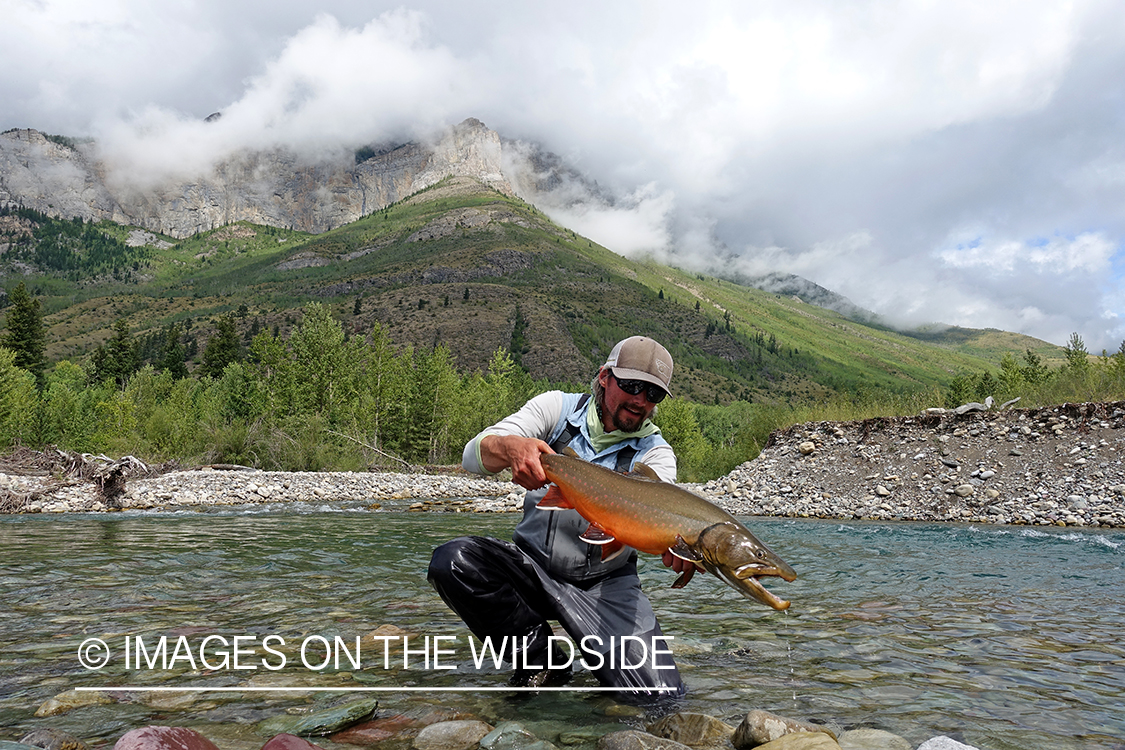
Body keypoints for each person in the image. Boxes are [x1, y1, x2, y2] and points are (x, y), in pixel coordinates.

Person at [427, 336, 698, 698]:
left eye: (653, 395)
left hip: (606, 586)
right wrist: (510, 447)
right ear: (604, 377)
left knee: (659, 698)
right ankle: (540, 658)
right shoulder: (555, 408)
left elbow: (657, 528)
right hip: (531, 569)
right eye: (631, 386)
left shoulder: (657, 455)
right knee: (453, 562)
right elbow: (472, 457)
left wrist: (676, 546)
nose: (640, 401)